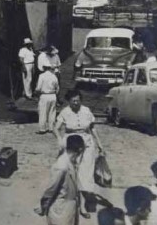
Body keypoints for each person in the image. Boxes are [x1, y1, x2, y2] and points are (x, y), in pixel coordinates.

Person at [54, 89, 105, 218]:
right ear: (69, 101)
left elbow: (92, 128)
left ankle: (82, 206)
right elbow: (55, 127)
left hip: (87, 144)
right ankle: (66, 199)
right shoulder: (65, 112)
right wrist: (59, 139)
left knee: (85, 173)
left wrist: (99, 144)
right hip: (71, 144)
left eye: (78, 100)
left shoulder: (86, 110)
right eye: (73, 101)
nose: (76, 102)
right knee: (70, 173)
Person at [35, 135, 85, 225]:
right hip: (60, 210)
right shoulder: (61, 166)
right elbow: (51, 189)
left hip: (70, 208)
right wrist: (43, 206)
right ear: (80, 149)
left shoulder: (72, 162)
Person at [35, 62, 59, 135]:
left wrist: (36, 92)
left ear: (44, 68)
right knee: (52, 112)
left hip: (44, 95)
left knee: (43, 112)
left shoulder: (41, 76)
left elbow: (38, 88)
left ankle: (42, 128)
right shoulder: (54, 76)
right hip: (53, 95)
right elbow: (57, 88)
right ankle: (51, 128)